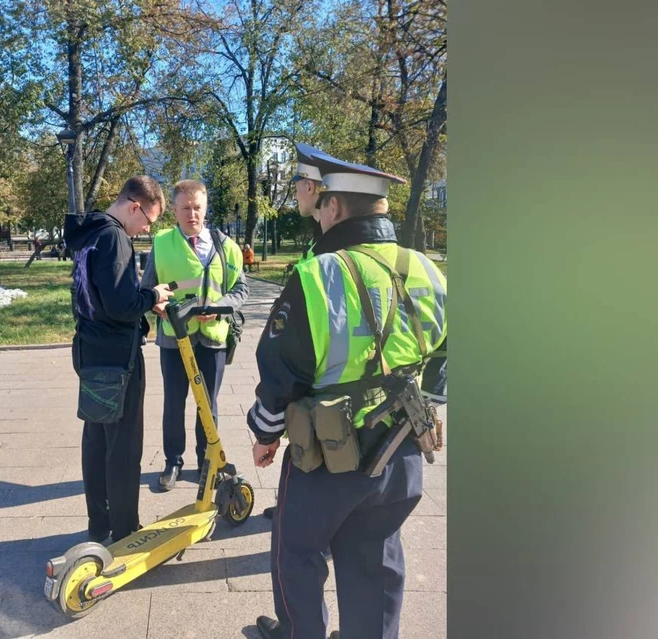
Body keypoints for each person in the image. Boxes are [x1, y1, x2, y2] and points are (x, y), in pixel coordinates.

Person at [247, 156, 447, 639]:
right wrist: (427, 409)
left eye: (318, 202)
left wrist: (265, 434)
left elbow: (280, 369)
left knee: (298, 553)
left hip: (326, 457)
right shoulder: (426, 269)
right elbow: (445, 359)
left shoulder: (318, 274)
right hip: (401, 448)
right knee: (376, 556)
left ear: (335, 206)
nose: (314, 210)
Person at [64, 176, 175, 544]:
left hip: (91, 350)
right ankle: (125, 529)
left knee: (96, 441)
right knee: (123, 446)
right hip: (117, 358)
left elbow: (100, 295)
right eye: (147, 220)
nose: (145, 229)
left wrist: (140, 297)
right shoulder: (113, 237)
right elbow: (120, 304)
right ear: (134, 206)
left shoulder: (90, 232)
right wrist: (152, 294)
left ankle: (100, 523)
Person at [140, 179, 249, 491]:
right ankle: (173, 461)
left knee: (208, 404)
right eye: (185, 208)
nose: (192, 214)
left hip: (213, 337)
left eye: (197, 207)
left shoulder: (226, 245)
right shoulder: (162, 243)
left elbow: (240, 288)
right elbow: (147, 288)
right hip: (175, 338)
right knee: (174, 402)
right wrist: (156, 304)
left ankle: (207, 461)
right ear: (174, 210)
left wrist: (221, 306)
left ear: (206, 208)